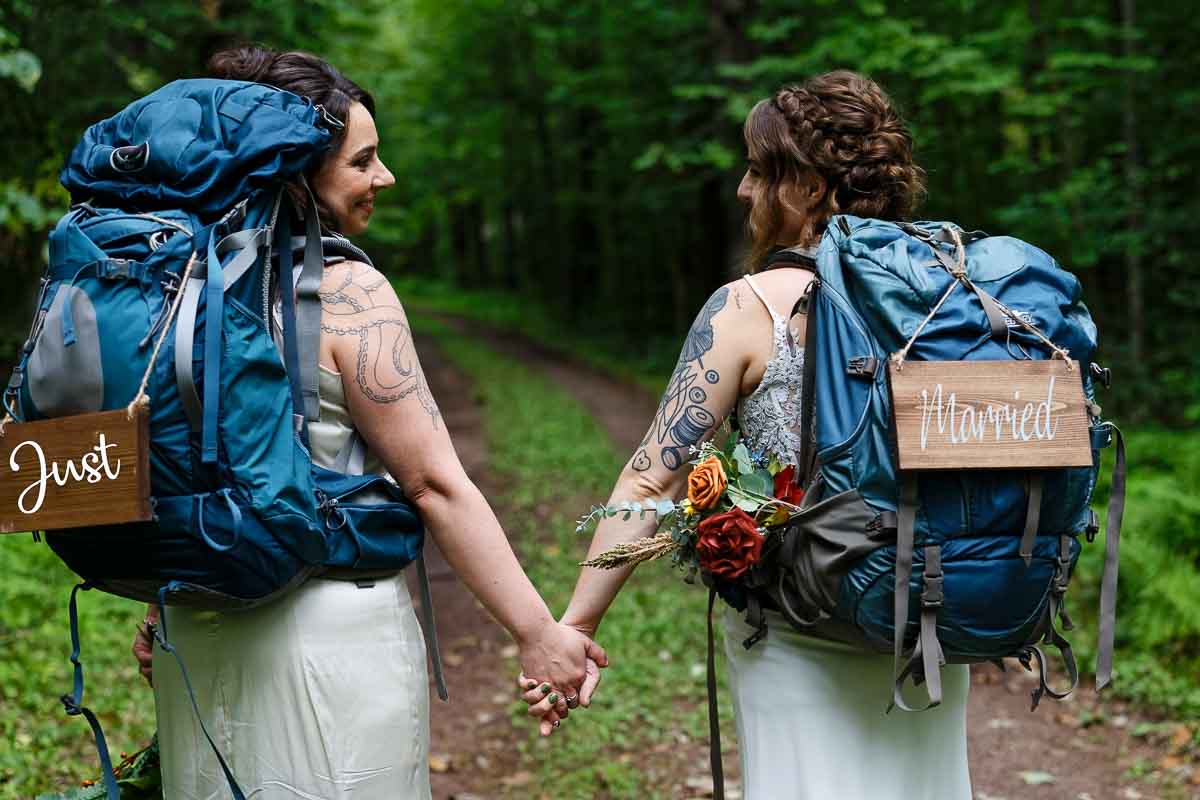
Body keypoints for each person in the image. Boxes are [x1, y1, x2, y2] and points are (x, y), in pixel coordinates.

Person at [130, 46, 605, 799]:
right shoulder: (350, 292)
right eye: (363, 161)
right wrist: (538, 633)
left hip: (199, 630)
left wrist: (164, 596)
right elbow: (433, 483)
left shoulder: (172, 289)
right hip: (329, 643)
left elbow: (185, 464)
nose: (385, 178)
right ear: (297, 172)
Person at [522, 71, 972, 798]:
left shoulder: (749, 306)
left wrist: (574, 628)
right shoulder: (951, 293)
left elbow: (651, 477)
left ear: (810, 188)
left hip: (800, 634)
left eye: (761, 171)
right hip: (928, 627)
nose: (742, 190)